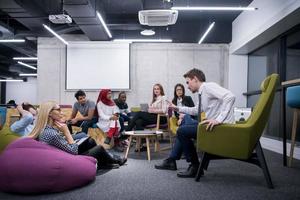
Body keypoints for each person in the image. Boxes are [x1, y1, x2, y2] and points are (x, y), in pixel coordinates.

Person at [155, 68, 235, 178]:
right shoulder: (202, 92)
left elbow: (230, 96)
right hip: (213, 126)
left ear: (195, 79)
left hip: (221, 128)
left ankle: (193, 165)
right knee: (183, 128)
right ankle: (173, 160)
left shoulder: (208, 87)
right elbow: (195, 110)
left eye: (188, 82)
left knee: (182, 130)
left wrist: (218, 119)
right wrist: (177, 108)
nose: (187, 86)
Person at [28, 101, 127, 168]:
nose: (61, 112)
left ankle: (105, 162)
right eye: (58, 110)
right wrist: (66, 132)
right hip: (69, 160)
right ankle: (113, 160)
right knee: (99, 148)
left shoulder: (45, 129)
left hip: (63, 154)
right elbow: (73, 151)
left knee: (90, 140)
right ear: (49, 113)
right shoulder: (51, 133)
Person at [126, 83, 168, 151]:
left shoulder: (163, 97)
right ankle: (143, 145)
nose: (156, 90)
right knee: (138, 121)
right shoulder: (154, 99)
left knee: (139, 113)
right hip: (153, 117)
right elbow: (151, 110)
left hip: (161, 118)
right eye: (155, 89)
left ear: (161, 90)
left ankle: (127, 131)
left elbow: (164, 110)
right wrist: (148, 110)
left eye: (158, 89)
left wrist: (152, 111)